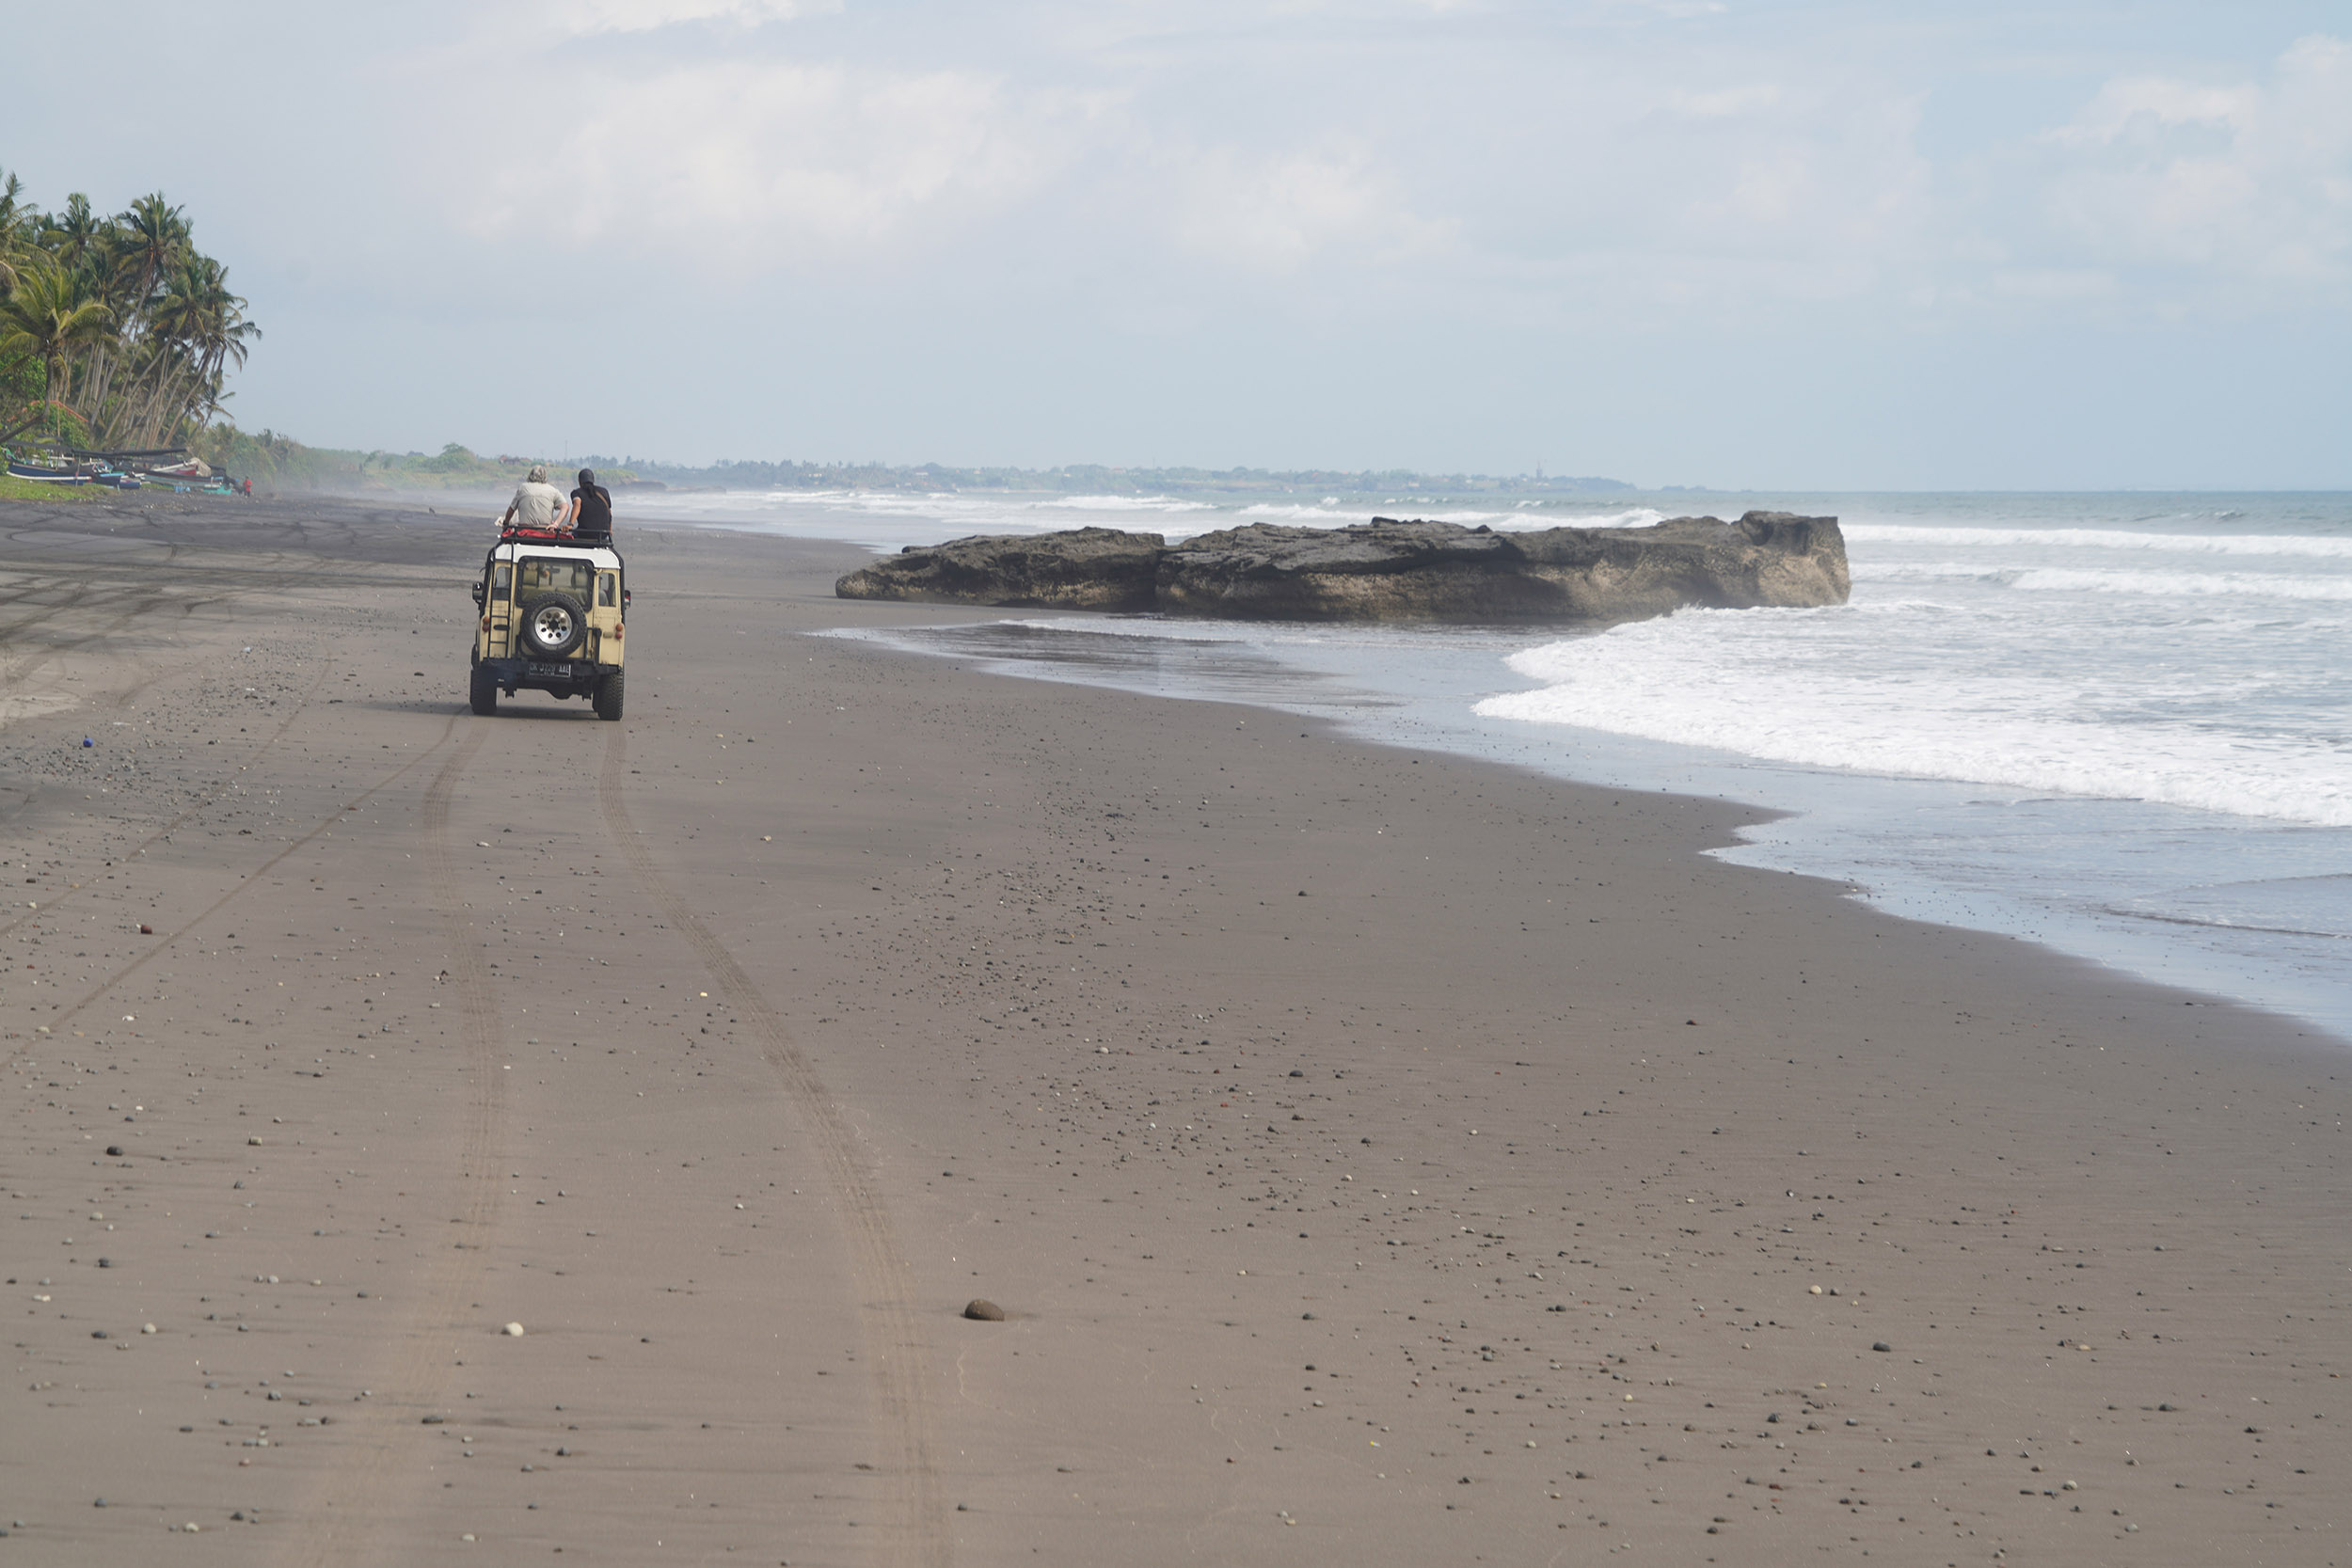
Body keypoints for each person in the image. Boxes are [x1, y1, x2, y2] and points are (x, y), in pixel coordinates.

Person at [501, 464, 566, 531]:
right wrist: (556, 524)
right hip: (545, 530)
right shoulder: (552, 490)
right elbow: (565, 507)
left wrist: (506, 523)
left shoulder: (523, 488)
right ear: (545, 476)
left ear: (530, 475)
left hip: (524, 530)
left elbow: (511, 509)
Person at [567, 467, 613, 539]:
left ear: (579, 481)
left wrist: (570, 524)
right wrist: (609, 530)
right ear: (593, 480)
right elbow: (609, 513)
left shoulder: (576, 492)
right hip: (603, 534)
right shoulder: (604, 491)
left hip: (585, 534)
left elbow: (577, 504)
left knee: (572, 535)